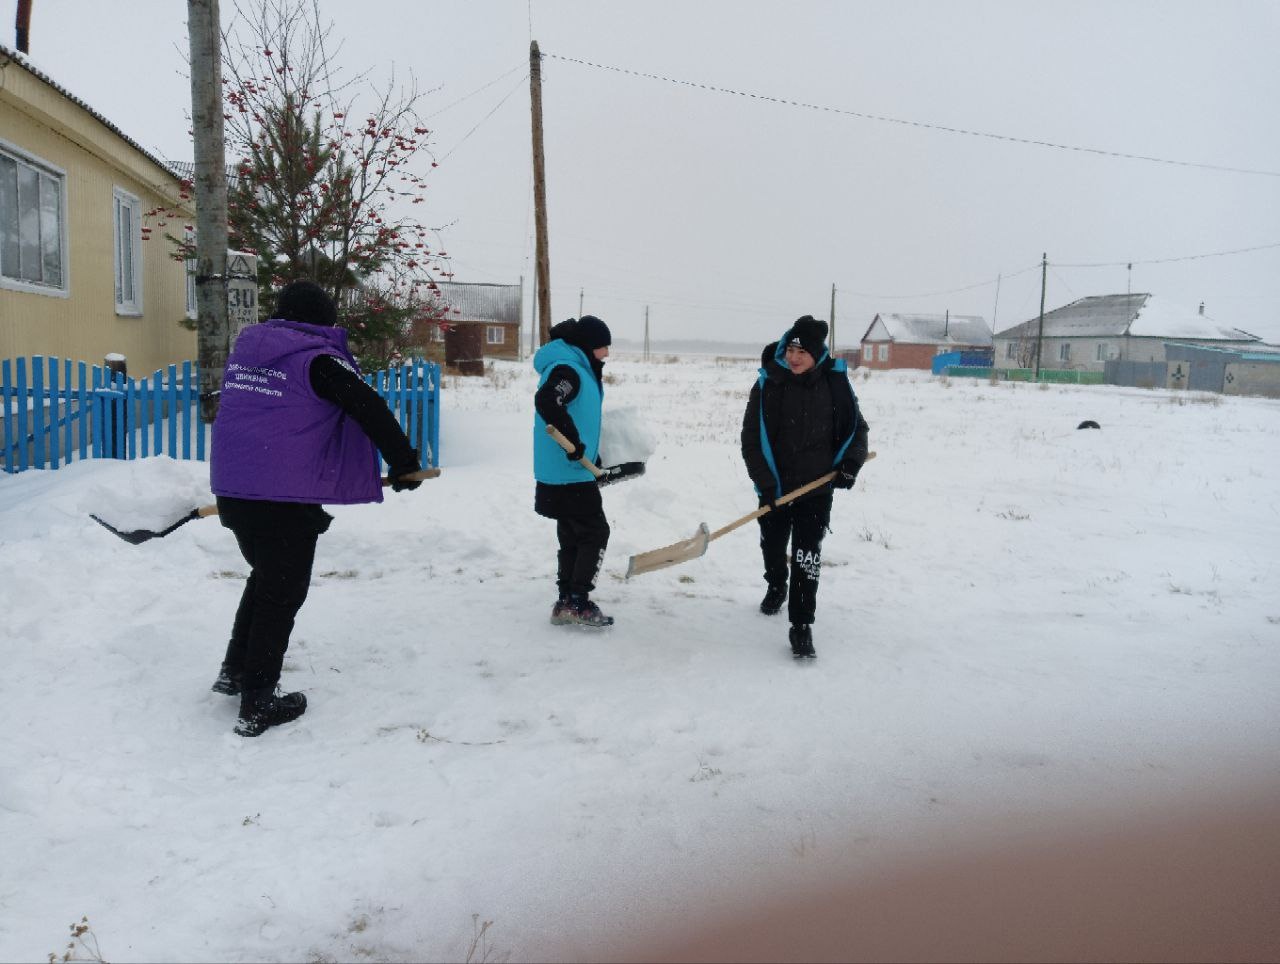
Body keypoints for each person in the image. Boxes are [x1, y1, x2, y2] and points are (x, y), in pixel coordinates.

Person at [209, 281, 423, 737]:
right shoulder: (316, 359)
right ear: (322, 320)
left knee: (265, 579)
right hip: (279, 499)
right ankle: (258, 702)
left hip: (234, 490)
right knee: (282, 592)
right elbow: (367, 405)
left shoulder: (250, 354)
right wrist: (403, 461)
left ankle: (236, 670)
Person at [740, 315, 869, 659]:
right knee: (773, 544)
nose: (794, 358)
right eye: (791, 349)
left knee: (807, 555)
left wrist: (850, 465)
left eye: (802, 352)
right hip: (775, 486)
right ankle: (776, 583)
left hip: (816, 488)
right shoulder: (769, 383)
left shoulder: (835, 384)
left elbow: (858, 429)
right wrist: (765, 485)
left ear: (817, 354)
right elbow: (751, 439)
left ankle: (801, 625)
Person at [532, 315, 615, 628]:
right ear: (587, 345)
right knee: (595, 533)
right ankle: (578, 600)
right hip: (570, 471)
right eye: (601, 346)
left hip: (564, 471)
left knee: (573, 537)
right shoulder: (569, 370)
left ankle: (566, 599)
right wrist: (573, 443)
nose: (605, 354)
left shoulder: (572, 366)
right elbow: (547, 400)